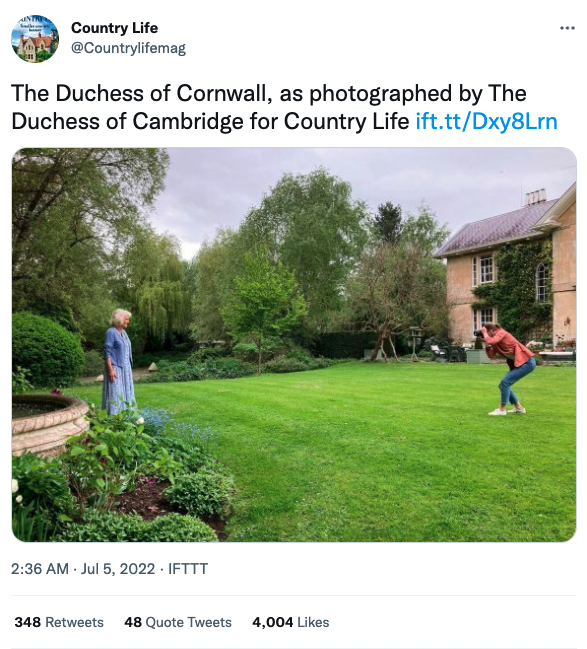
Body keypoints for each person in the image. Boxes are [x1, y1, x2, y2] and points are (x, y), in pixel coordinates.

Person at [481, 323, 536, 416]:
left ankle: (502, 409)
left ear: (491, 331)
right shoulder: (496, 341)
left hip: (527, 362)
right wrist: (485, 341)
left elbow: (492, 341)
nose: (484, 334)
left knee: (505, 383)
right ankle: (519, 408)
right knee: (503, 385)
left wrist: (485, 334)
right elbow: (490, 355)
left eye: (486, 332)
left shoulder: (501, 333)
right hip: (521, 364)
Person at [102, 308, 135, 414]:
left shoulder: (124, 333)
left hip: (126, 369)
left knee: (126, 394)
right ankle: (114, 419)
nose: (128, 321)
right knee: (116, 394)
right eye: (126, 319)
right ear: (120, 319)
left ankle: (127, 416)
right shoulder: (111, 332)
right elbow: (107, 352)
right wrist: (110, 370)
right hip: (115, 368)